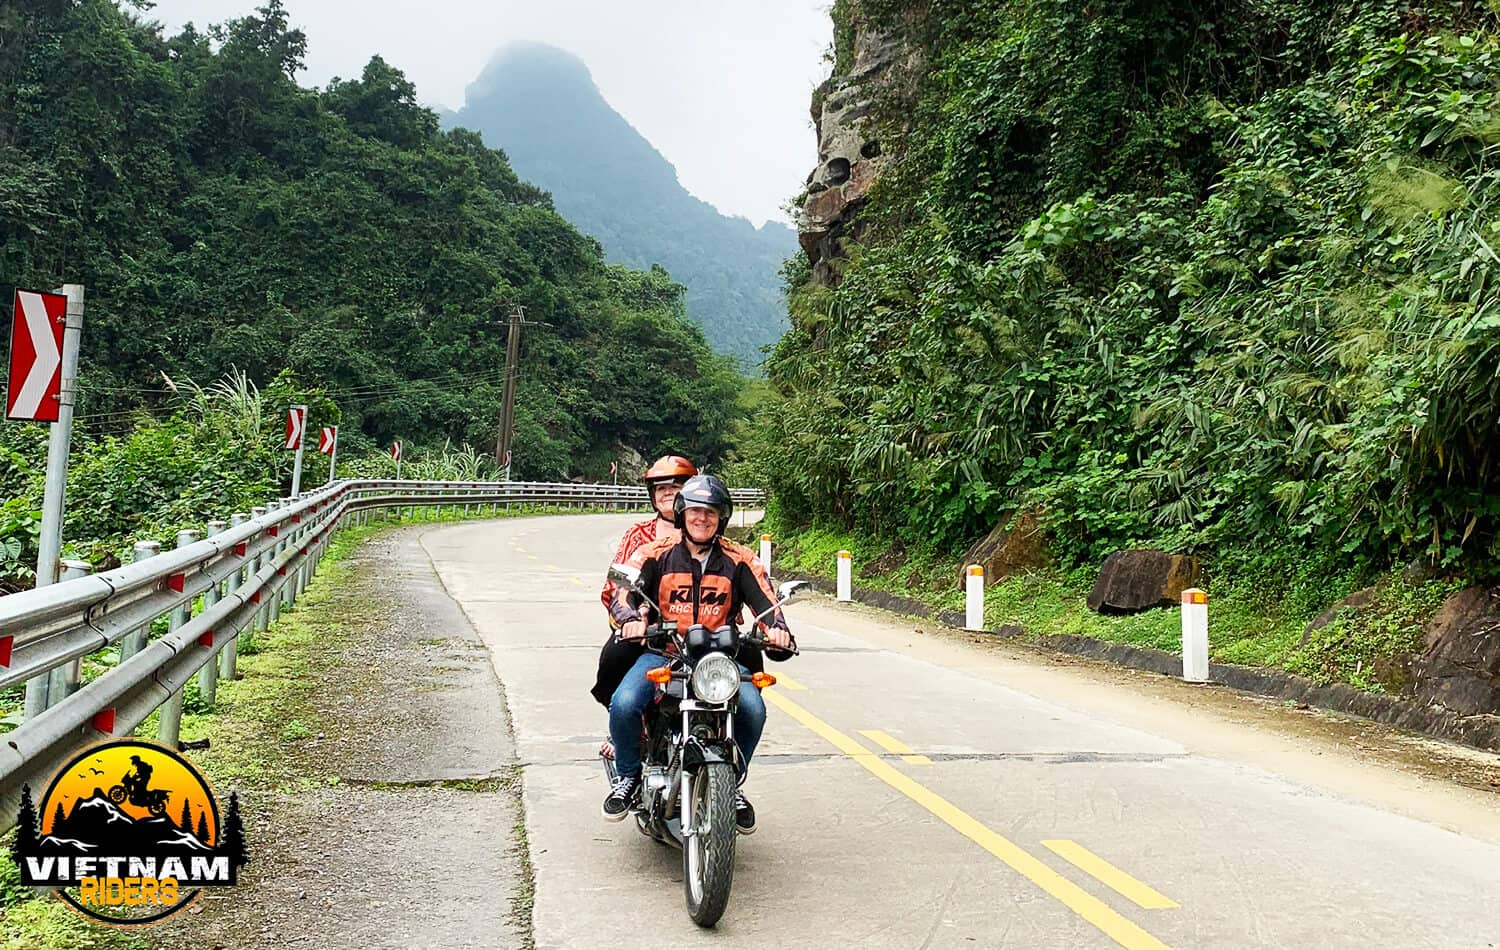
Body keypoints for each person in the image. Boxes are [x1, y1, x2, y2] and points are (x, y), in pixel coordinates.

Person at [603, 474, 795, 835]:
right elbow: (622, 593)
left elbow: (767, 605)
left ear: (721, 517)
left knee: (754, 710)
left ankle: (732, 784)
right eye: (694, 511)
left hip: (720, 659)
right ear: (681, 513)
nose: (701, 518)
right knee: (625, 703)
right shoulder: (655, 553)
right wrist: (630, 619)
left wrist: (778, 631)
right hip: (665, 652)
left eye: (710, 512)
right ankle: (627, 777)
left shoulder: (741, 559)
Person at [590, 456, 696, 727]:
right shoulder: (638, 536)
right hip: (651, 632)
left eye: (676, 486)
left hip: (701, 630)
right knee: (614, 662)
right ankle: (624, 728)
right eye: (661, 489)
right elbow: (617, 586)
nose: (669, 493)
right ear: (653, 496)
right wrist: (634, 618)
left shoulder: (707, 532)